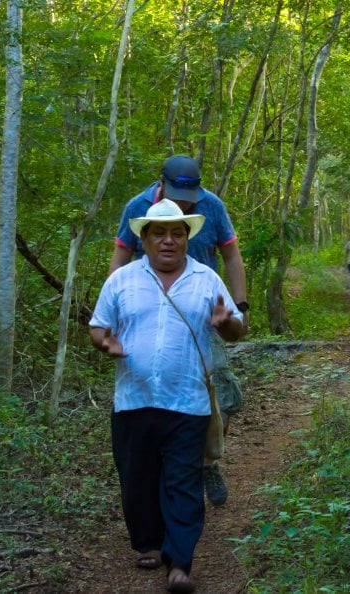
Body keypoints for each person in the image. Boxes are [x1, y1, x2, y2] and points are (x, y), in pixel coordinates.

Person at [90, 198, 247, 593]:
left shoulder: (206, 279)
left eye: (177, 234)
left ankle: (180, 562)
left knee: (183, 481)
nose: (168, 241)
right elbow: (98, 327)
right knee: (137, 478)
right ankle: (148, 543)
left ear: (186, 239)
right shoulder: (121, 281)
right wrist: (105, 344)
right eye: (159, 233)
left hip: (187, 401)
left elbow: (237, 329)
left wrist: (225, 323)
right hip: (133, 400)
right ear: (143, 238)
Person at [109, 154, 248, 507]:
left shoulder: (211, 206)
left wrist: (239, 308)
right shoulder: (138, 208)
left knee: (223, 392)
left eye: (189, 198)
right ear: (161, 184)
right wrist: (112, 311)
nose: (184, 202)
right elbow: (121, 256)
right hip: (150, 317)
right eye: (176, 194)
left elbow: (231, 255)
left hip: (202, 315)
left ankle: (206, 461)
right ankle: (162, 472)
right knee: (154, 397)